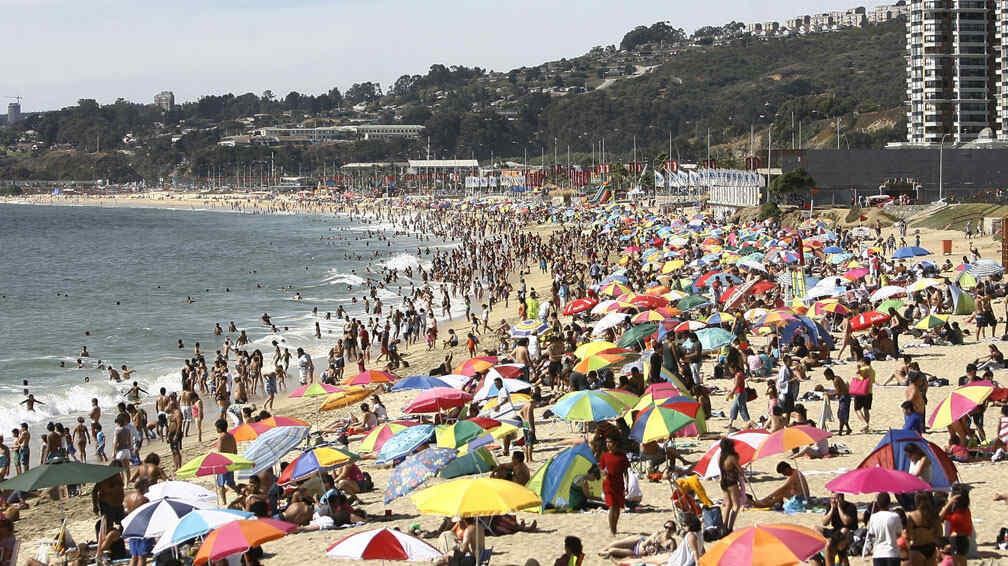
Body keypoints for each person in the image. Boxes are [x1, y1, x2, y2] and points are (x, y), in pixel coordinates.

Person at [598, 436, 629, 535]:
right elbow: (601, 470)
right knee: (612, 506)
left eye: (610, 442)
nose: (608, 444)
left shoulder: (622, 457)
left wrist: (627, 485)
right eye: (606, 442)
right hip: (608, 485)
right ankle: (612, 530)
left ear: (615, 443)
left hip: (619, 485)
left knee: (617, 507)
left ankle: (615, 527)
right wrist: (603, 473)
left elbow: (626, 472)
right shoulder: (604, 456)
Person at [597, 521, 675, 559]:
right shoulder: (657, 534)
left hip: (637, 554)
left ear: (673, 531)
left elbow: (670, 555)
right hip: (638, 542)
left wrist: (657, 550)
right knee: (616, 543)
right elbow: (644, 544)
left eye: (670, 528)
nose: (667, 530)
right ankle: (602, 550)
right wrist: (650, 541)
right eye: (666, 527)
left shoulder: (671, 542)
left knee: (613, 550)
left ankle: (608, 552)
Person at [863, 492, 902, 566]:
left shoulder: (873, 517)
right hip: (892, 553)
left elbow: (871, 534)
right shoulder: (895, 516)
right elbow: (899, 533)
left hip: (878, 553)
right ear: (889, 503)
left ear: (878, 504)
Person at [820, 492, 858, 566]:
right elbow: (824, 523)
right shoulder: (831, 506)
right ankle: (824, 547)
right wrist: (832, 509)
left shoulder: (851, 507)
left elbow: (846, 522)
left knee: (844, 530)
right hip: (835, 531)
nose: (833, 500)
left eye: (835, 498)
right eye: (831, 498)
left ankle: (832, 546)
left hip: (848, 532)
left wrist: (839, 507)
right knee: (816, 528)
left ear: (841, 498)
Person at [905, 492, 941, 566]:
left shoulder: (912, 516)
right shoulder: (933, 515)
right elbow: (939, 533)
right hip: (931, 547)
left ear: (916, 502)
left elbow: (909, 535)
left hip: (917, 548)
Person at [939, 489, 973, 566]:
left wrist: (949, 503)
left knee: (959, 562)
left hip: (958, 540)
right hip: (962, 540)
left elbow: (939, 518)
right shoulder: (966, 510)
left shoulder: (957, 515)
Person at [718, 437, 743, 533]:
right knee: (736, 505)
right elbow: (740, 471)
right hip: (731, 482)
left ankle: (724, 526)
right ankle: (730, 527)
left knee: (728, 505)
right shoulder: (732, 457)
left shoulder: (721, 457)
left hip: (723, 481)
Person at [214, 419, 238, 505]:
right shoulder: (231, 436)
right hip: (230, 462)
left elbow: (220, 452)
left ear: (220, 429)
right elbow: (235, 450)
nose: (216, 429)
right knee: (231, 483)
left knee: (220, 485)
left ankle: (224, 502)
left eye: (216, 428)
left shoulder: (221, 437)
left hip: (223, 463)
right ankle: (240, 493)